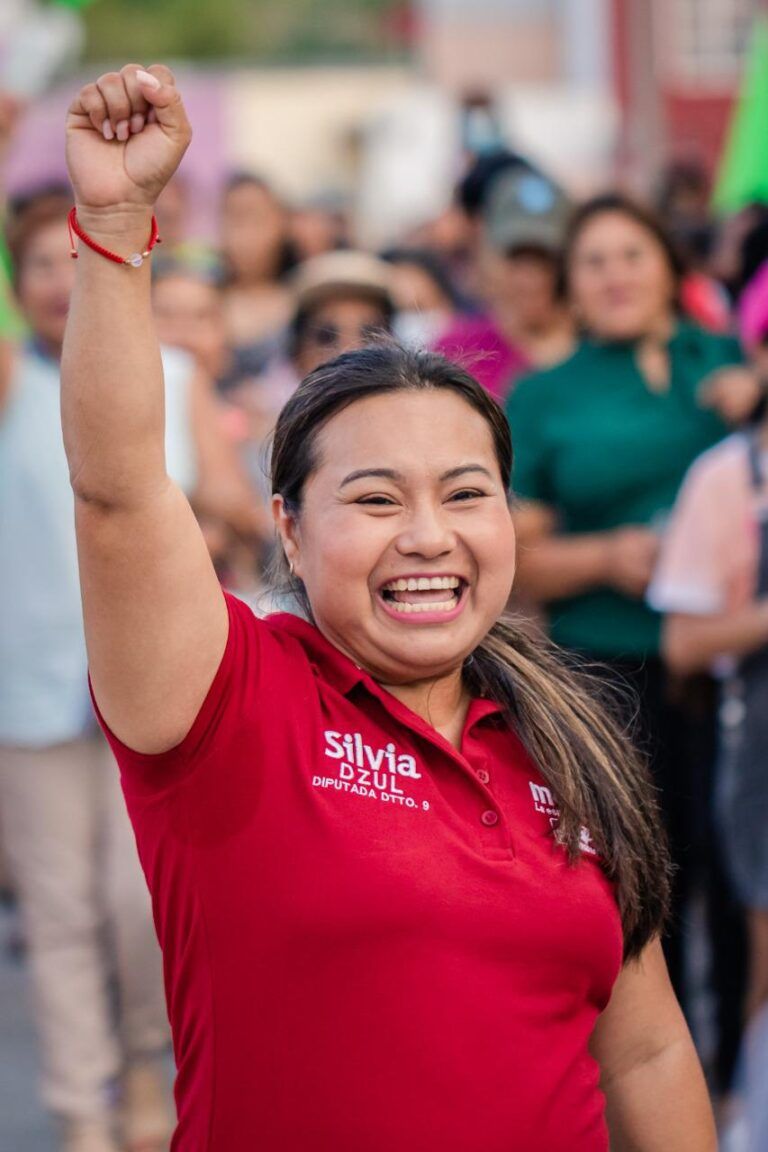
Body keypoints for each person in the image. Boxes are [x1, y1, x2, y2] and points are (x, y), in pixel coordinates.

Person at [62, 63, 717, 1152]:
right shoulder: (230, 701)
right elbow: (121, 491)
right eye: (374, 499)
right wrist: (117, 224)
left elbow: (646, 1052)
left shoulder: (571, 739)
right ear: (288, 528)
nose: (428, 536)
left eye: (466, 494)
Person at [505, 192, 759, 1085]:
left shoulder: (728, 360)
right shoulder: (544, 396)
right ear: (570, 285)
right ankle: (656, 1081)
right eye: (594, 261)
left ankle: (738, 1081)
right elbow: (514, 558)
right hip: (606, 668)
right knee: (641, 880)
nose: (615, 276)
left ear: (669, 267)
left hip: (734, 661)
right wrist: (609, 556)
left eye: (631, 254)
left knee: (741, 872)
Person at [0, 188, 173, 1152]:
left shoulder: (174, 375)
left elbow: (241, 511)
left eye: (72, 259)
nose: (57, 281)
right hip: (30, 693)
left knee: (136, 899)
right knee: (58, 910)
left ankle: (146, 1064)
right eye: (37, 264)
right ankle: (81, 1111)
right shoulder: (10, 386)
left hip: (149, 683)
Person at [219, 170, 296, 377]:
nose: (245, 235)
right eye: (235, 219)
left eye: (257, 220)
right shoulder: (200, 299)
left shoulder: (301, 300)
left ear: (282, 223)